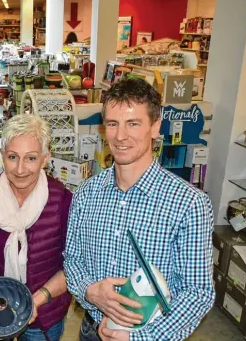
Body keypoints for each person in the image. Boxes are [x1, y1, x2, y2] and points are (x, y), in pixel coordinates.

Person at [64, 78, 215, 341]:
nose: (120, 136)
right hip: (91, 330)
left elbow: (198, 292)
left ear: (156, 126)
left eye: (133, 123)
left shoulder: (189, 203)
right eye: (113, 124)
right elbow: (72, 259)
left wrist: (140, 337)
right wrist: (89, 290)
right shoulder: (86, 193)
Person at [0, 114, 73, 341]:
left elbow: (72, 265)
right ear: (2, 156)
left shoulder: (63, 201)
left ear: (45, 159)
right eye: (13, 157)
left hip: (44, 312)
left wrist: (37, 300)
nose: (20, 169)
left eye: (31, 158)